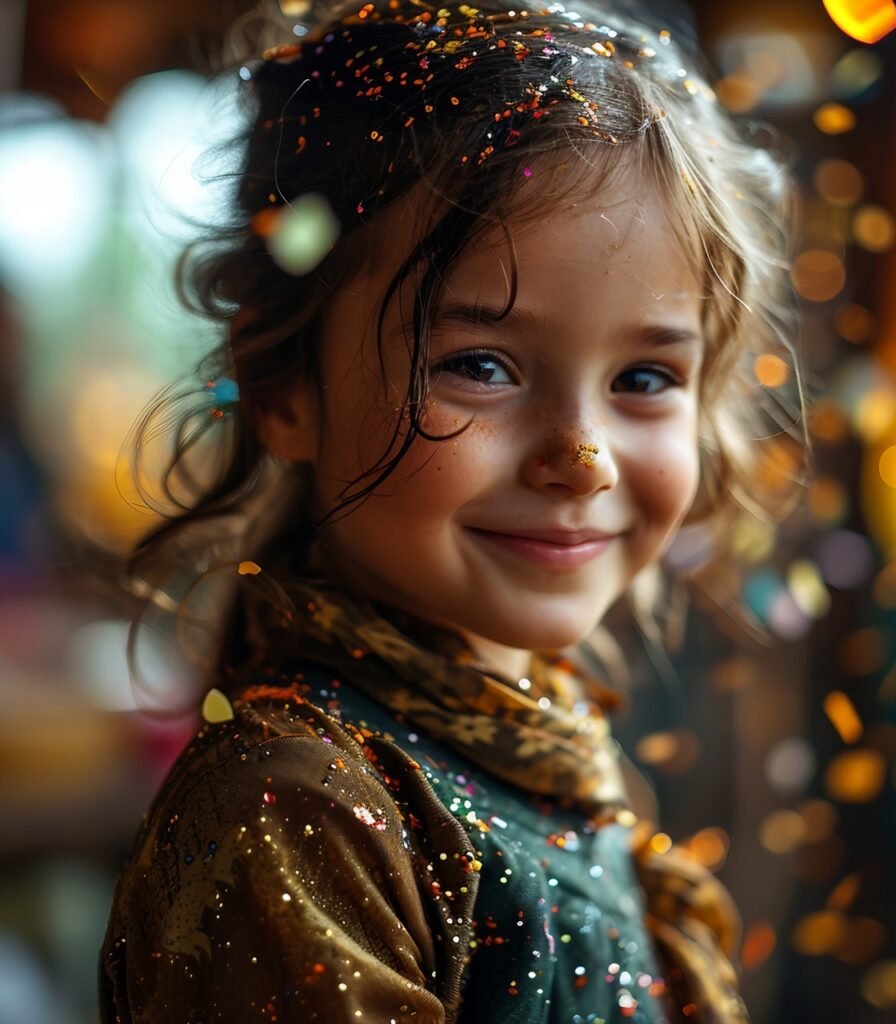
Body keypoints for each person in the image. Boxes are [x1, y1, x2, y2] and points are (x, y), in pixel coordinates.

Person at [98, 1, 806, 1020]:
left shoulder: (541, 746)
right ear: (284, 385)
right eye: (480, 365)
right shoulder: (298, 812)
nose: (582, 458)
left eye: (646, 377)